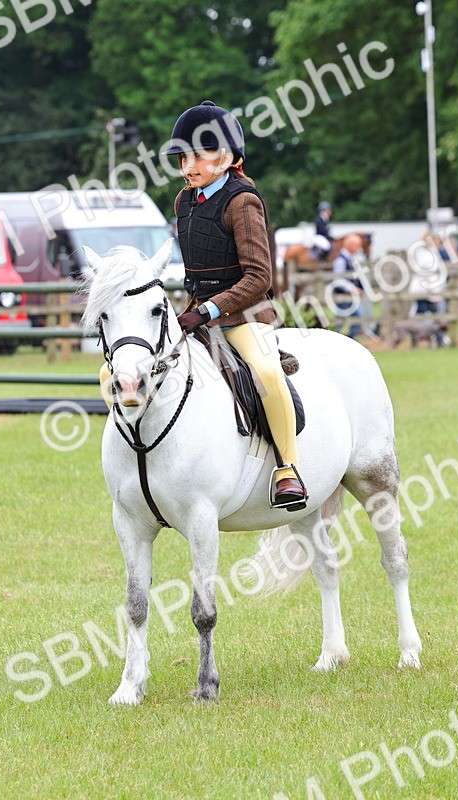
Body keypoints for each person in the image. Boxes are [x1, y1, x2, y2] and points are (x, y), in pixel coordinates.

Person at [166, 100, 308, 509]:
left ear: (227, 157)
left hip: (245, 314)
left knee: (264, 372)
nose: (187, 165)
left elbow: (259, 277)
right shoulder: (184, 202)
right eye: (182, 156)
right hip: (196, 311)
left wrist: (208, 310)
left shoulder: (242, 201)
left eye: (197, 155)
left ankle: (288, 471)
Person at [331, 234, 376, 339]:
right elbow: (338, 280)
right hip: (342, 296)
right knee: (351, 319)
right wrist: (352, 288)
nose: (359, 249)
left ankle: (345, 339)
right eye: (357, 246)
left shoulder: (350, 259)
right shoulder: (341, 260)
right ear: (350, 246)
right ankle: (348, 340)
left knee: (346, 320)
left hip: (348, 296)